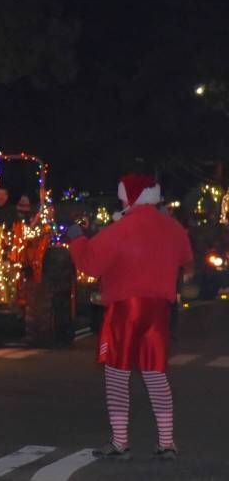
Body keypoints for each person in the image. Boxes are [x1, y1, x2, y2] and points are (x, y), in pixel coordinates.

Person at [67, 172, 193, 461]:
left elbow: (90, 264)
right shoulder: (171, 227)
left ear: (130, 196)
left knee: (117, 374)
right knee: (155, 374)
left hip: (126, 308)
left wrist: (76, 238)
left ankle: (120, 441)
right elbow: (185, 258)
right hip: (159, 310)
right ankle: (166, 441)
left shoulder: (122, 228)